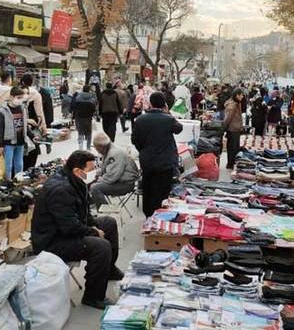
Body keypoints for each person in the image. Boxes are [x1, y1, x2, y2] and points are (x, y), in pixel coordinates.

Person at [31, 150, 122, 310]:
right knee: (100, 246)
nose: (95, 172)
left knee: (108, 222)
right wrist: (93, 232)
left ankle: (109, 270)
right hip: (52, 241)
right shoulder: (61, 190)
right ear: (77, 171)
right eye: (91, 169)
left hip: (65, 231)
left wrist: (93, 224)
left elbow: (82, 212)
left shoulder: (75, 181)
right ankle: (93, 297)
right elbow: (69, 227)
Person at [131, 92, 183, 217]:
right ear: (164, 104)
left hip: (147, 161)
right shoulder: (168, 119)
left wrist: (144, 150)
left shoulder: (140, 119)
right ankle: (160, 215)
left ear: (151, 103)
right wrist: (168, 112)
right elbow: (179, 128)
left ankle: (148, 214)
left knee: (148, 188)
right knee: (163, 190)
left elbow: (134, 140)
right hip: (165, 162)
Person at [91, 133, 139, 208]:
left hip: (126, 184)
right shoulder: (108, 150)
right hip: (120, 180)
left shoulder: (115, 153)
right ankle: (92, 205)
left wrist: (99, 180)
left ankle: (105, 212)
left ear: (101, 147)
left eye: (96, 147)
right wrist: (97, 174)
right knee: (92, 183)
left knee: (95, 188)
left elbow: (112, 176)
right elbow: (108, 168)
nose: (96, 150)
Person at [0, 87, 33, 180]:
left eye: (21, 98)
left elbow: (25, 125)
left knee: (19, 164)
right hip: (8, 142)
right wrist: (0, 145)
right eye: (18, 97)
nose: (20, 100)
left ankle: (18, 181)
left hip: (20, 141)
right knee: (8, 165)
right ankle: (8, 181)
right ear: (11, 97)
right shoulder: (2, 111)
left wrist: (32, 135)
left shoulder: (22, 108)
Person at [224, 88, 245, 170]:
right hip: (232, 129)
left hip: (235, 129)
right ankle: (230, 164)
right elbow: (228, 118)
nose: (242, 96)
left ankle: (232, 163)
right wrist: (223, 129)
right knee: (232, 148)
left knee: (234, 148)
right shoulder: (232, 105)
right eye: (241, 95)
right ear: (237, 95)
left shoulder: (236, 103)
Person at [73, 85, 97, 150]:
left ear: (83, 89)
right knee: (89, 132)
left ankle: (80, 146)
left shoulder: (78, 98)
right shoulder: (92, 99)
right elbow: (94, 109)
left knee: (80, 131)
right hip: (88, 118)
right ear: (89, 90)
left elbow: (75, 107)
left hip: (80, 117)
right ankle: (88, 147)